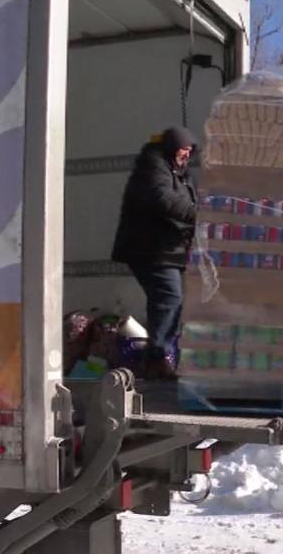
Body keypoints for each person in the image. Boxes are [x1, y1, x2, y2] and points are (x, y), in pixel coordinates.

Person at [112, 127, 197, 380]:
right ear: (172, 146)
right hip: (149, 249)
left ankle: (158, 357)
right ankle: (156, 359)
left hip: (167, 250)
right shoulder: (153, 166)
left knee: (169, 301)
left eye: (190, 151)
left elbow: (187, 202)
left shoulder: (179, 172)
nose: (187, 155)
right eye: (184, 149)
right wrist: (199, 216)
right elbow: (164, 199)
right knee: (169, 297)